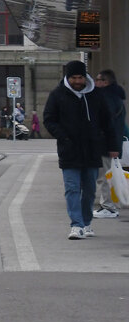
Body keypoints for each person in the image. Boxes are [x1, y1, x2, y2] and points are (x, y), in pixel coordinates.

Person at [43, 60, 120, 240]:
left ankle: (86, 223)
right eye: (73, 78)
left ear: (85, 78)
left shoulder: (96, 96)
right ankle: (76, 225)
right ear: (67, 78)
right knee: (72, 188)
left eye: (80, 77)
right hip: (69, 149)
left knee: (89, 189)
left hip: (92, 149)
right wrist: (64, 136)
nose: (77, 81)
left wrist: (112, 146)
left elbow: (108, 122)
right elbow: (49, 119)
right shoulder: (57, 95)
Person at [92, 69, 126, 218]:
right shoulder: (116, 97)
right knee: (107, 175)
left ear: (105, 82)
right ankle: (108, 204)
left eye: (98, 79)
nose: (95, 82)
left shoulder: (106, 98)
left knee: (105, 176)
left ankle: (108, 206)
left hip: (106, 144)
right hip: (111, 143)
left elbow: (107, 123)